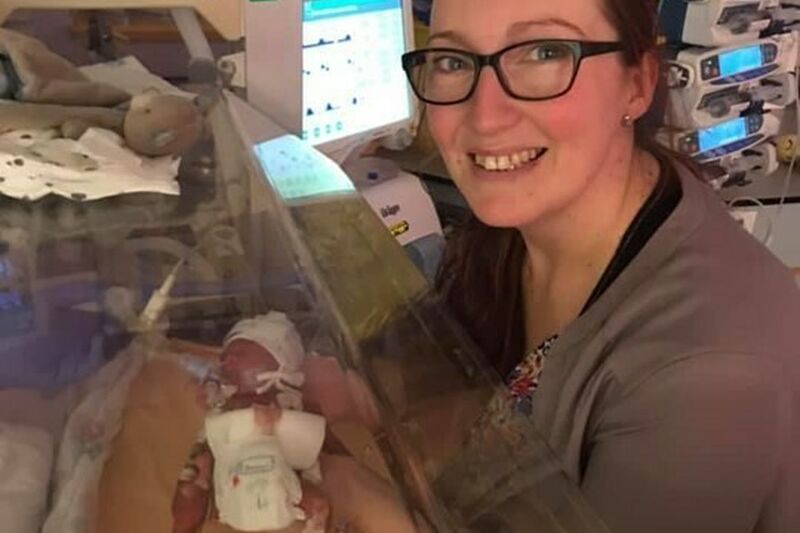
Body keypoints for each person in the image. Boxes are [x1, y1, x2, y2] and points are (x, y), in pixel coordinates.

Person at [315, 0, 800, 532]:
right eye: (453, 61)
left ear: (637, 84)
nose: (486, 116)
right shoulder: (525, 225)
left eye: (545, 52)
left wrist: (367, 505)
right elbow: (464, 396)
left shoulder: (708, 376)